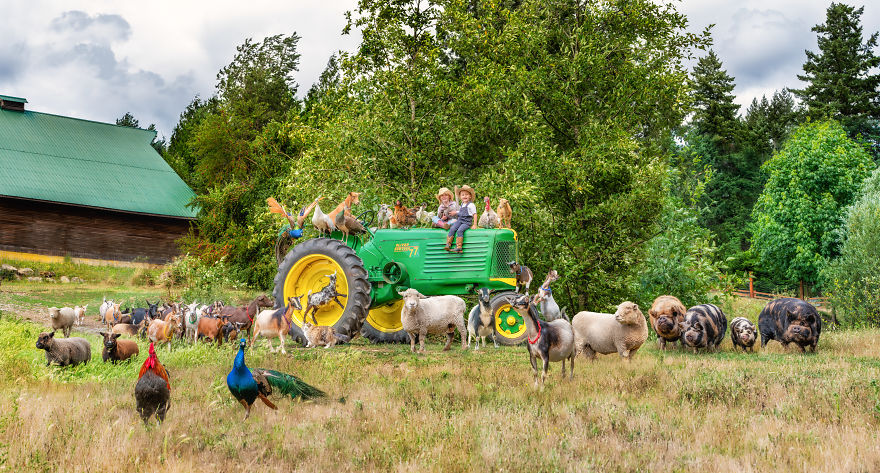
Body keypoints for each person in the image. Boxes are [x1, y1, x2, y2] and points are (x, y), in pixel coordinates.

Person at [445, 185, 476, 253]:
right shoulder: (462, 204)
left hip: (466, 222)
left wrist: (474, 224)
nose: (464, 196)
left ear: (470, 196)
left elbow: (475, 214)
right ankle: (448, 244)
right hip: (460, 220)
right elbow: (461, 212)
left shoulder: (471, 205)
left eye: (466, 194)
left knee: (460, 230)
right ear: (460, 197)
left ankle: (459, 247)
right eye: (463, 195)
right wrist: (455, 212)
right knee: (452, 228)